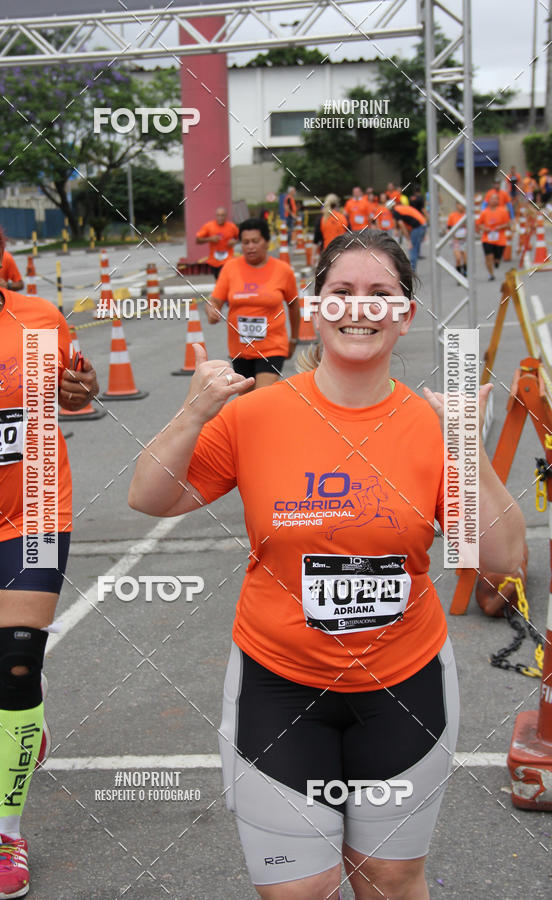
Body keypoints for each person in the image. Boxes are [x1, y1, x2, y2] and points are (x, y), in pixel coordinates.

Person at [128, 229, 525, 900]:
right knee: (297, 893)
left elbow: (502, 561)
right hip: (281, 688)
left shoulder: (429, 422)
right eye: (341, 293)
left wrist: (466, 445)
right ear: (314, 306)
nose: (359, 309)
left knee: (391, 879)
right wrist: (194, 411)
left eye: (381, 295)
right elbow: (149, 496)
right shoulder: (257, 415)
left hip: (403, 685)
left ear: (404, 313)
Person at [0, 200, 99, 899]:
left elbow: (74, 391)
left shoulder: (40, 319)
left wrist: (82, 387)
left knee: (13, 664)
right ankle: (23, 713)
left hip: (32, 508)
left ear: (0, 253)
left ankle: (4, 837)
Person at [205, 217, 300, 389]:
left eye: (255, 241)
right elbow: (215, 301)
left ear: (267, 242)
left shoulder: (283, 270)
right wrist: (211, 310)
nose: (250, 246)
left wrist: (294, 338)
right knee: (246, 404)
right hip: (240, 350)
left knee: (261, 397)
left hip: (272, 348)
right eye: (245, 242)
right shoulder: (230, 268)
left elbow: (294, 305)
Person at [195, 207, 239, 280]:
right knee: (218, 280)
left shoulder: (232, 226)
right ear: (216, 216)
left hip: (228, 259)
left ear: (226, 216)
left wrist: (234, 241)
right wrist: (210, 239)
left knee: (225, 278)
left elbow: (241, 237)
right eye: (218, 215)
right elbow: (197, 240)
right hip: (214, 260)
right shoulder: (209, 226)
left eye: (222, 215)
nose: (220, 218)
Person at [476, 193, 511, 280]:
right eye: (492, 199)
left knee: (496, 258)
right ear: (488, 201)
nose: (494, 200)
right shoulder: (484, 212)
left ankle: (497, 261)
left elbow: (508, 224)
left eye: (496, 199)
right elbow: (479, 224)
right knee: (489, 257)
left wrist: (500, 227)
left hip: (500, 239)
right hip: (487, 238)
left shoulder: (503, 211)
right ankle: (491, 274)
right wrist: (485, 228)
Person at [392, 202, 427, 271]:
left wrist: (408, 240)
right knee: (415, 249)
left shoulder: (396, 211)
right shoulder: (400, 208)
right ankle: (413, 268)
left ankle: (411, 271)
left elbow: (402, 226)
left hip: (418, 226)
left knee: (412, 248)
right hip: (421, 224)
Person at [447, 201, 467, 277]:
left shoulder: (466, 215)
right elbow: (448, 227)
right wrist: (451, 236)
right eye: (459, 204)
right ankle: (458, 275)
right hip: (456, 240)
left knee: (465, 257)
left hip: (464, 239)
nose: (460, 206)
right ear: (456, 205)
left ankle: (465, 272)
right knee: (458, 258)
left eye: (462, 205)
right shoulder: (453, 215)